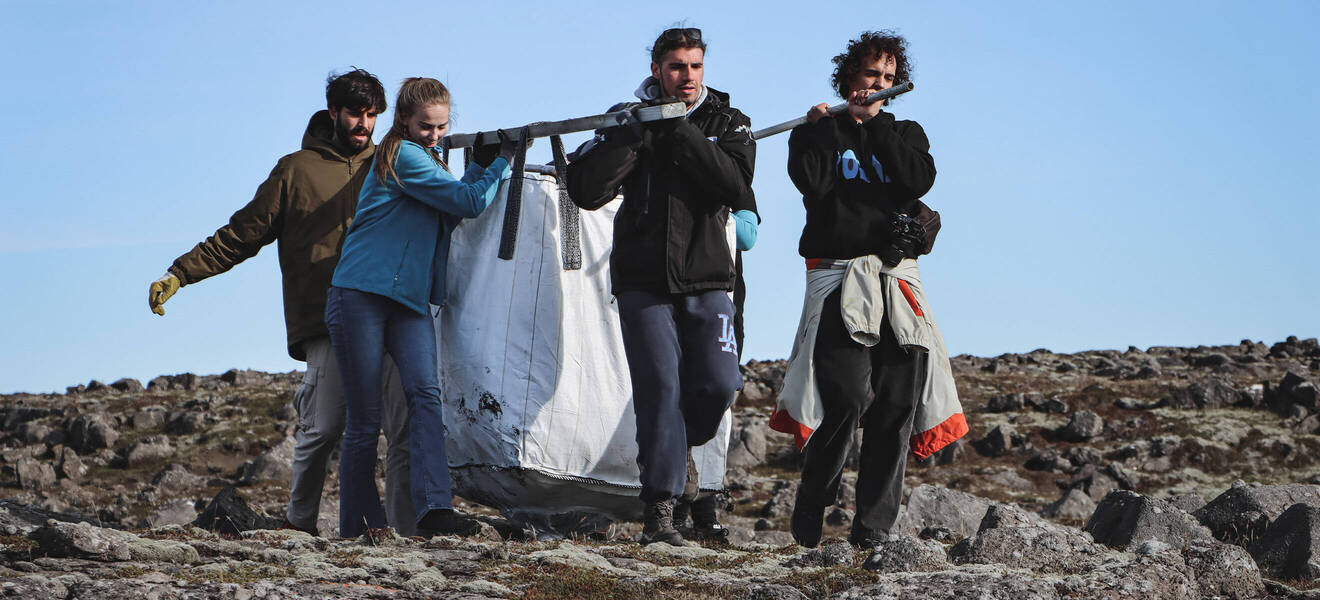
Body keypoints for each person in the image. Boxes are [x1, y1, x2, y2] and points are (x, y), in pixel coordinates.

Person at [146, 68, 417, 536]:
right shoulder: (294, 170)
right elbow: (240, 235)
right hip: (324, 321)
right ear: (333, 112)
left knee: (403, 428)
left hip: (388, 311)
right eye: (355, 113)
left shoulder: (393, 163)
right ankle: (299, 525)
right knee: (324, 427)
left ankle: (403, 531)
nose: (364, 124)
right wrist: (180, 273)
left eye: (373, 115)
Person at [567, 26, 757, 546]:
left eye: (695, 66)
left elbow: (736, 186)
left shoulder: (728, 121)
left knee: (719, 383)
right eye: (676, 67)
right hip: (643, 281)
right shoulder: (627, 119)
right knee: (660, 392)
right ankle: (662, 513)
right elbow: (583, 189)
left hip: (710, 278)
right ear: (657, 70)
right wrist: (633, 135)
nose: (687, 77)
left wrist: (679, 129)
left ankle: (682, 449)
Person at [778, 30, 949, 549]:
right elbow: (812, 184)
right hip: (839, 278)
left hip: (896, 282)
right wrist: (828, 130)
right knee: (848, 396)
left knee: (895, 404)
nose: (880, 85)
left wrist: (875, 127)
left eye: (890, 79)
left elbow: (917, 180)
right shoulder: (814, 132)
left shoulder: (907, 132)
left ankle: (873, 528)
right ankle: (816, 492)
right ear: (848, 78)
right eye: (872, 75)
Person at [326, 76, 516, 538]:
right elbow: (468, 203)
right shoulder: (404, 155)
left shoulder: (426, 159)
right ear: (405, 122)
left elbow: (449, 206)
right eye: (426, 126)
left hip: (407, 300)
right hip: (361, 294)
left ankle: (435, 510)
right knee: (366, 421)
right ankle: (359, 526)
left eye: (442, 127)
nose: (435, 135)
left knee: (426, 397)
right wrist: (503, 162)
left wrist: (478, 169)